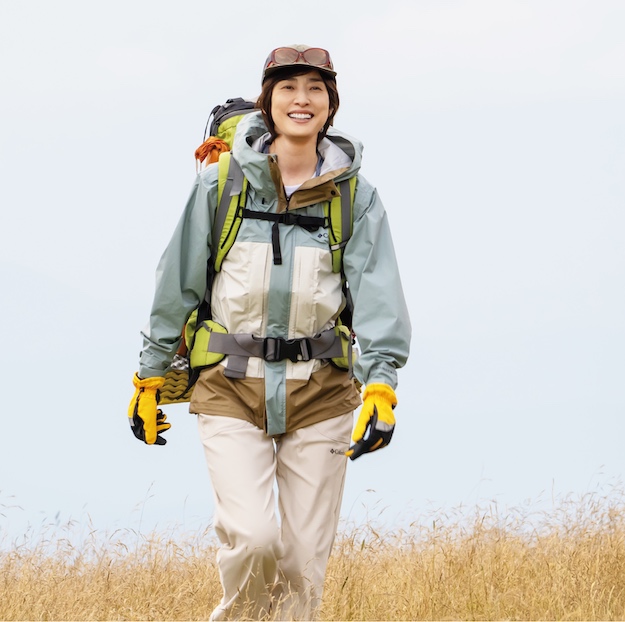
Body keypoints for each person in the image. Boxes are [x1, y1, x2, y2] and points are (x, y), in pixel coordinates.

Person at [127, 45, 411, 620]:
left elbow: (380, 300)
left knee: (305, 564)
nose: (301, 100)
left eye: (315, 88)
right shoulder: (221, 184)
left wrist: (380, 386)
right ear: (268, 101)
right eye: (288, 88)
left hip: (323, 391)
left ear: (331, 104)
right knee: (254, 538)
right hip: (229, 386)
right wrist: (148, 376)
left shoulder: (355, 196)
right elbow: (176, 282)